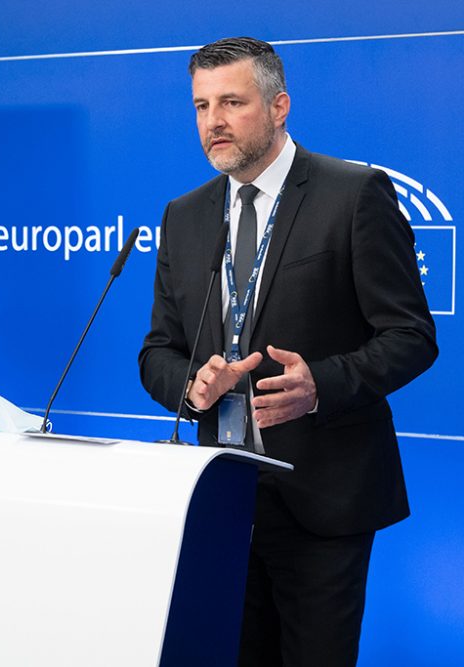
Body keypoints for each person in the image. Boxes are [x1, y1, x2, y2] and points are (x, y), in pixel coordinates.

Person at [138, 37, 437, 666]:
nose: (212, 121)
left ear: (279, 106)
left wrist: (320, 385)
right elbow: (159, 351)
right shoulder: (185, 215)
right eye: (200, 106)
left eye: (231, 102)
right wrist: (192, 387)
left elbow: (411, 336)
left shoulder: (354, 194)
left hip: (325, 498)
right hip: (220, 497)